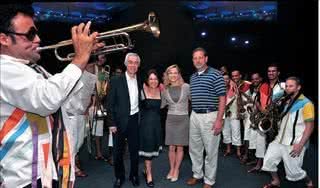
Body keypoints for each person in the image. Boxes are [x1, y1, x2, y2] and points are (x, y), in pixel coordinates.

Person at [0, 4, 103, 187]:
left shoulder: (35, 72)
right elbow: (47, 100)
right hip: (26, 178)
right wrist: (79, 58)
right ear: (4, 39)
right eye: (30, 35)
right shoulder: (4, 70)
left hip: (52, 170)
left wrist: (87, 62)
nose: (38, 39)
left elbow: (76, 106)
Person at [261, 77, 315, 188]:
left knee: (294, 172)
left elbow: (310, 127)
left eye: (291, 86)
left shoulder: (306, 103)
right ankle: (276, 181)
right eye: (286, 86)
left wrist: (300, 145)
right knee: (268, 162)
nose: (287, 88)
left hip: (294, 143)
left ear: (298, 87)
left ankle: (309, 182)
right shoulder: (284, 100)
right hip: (279, 140)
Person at [187, 47, 226, 188]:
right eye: (195, 58)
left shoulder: (216, 75)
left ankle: (209, 180)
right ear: (193, 60)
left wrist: (219, 120)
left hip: (210, 116)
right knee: (194, 148)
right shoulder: (192, 77)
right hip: (195, 116)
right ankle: (197, 174)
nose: (197, 60)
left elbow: (223, 98)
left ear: (206, 58)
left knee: (210, 151)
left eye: (200, 57)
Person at [106, 52, 142, 188]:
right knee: (117, 153)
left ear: (138, 65)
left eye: (136, 63)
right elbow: (109, 103)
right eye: (131, 62)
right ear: (126, 64)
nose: (133, 65)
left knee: (134, 152)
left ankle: (134, 175)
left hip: (134, 120)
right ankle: (119, 177)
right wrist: (111, 123)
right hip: (119, 122)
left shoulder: (140, 80)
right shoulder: (116, 80)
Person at [161, 64, 190, 182]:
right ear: (167, 75)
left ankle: (177, 169)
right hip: (170, 119)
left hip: (183, 119)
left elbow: (196, 99)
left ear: (179, 74)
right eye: (170, 73)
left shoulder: (186, 87)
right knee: (171, 147)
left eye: (175, 72)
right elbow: (161, 105)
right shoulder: (165, 90)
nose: (173, 75)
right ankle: (171, 169)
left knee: (180, 147)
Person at [139, 69, 162, 187]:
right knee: (148, 149)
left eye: (155, 78)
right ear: (147, 80)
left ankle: (145, 169)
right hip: (145, 125)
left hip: (156, 125)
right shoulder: (142, 91)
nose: (153, 81)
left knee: (152, 149)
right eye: (151, 79)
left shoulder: (161, 90)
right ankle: (149, 175)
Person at [230, 70, 252, 164]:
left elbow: (253, 97)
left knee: (247, 132)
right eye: (233, 76)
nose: (235, 77)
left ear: (240, 76)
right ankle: (240, 152)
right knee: (237, 131)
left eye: (236, 76)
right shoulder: (232, 86)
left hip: (248, 110)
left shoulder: (247, 84)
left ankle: (247, 154)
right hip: (237, 110)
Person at [247, 72, 265, 172]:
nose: (254, 81)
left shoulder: (264, 89)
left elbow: (262, 106)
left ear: (261, 79)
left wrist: (258, 107)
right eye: (253, 79)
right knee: (255, 142)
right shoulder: (254, 90)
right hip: (256, 117)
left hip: (261, 118)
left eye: (256, 79)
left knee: (261, 142)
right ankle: (257, 161)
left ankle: (259, 164)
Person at [222, 73, 242, 159]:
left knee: (236, 132)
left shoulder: (234, 88)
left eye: (227, 79)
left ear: (229, 79)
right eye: (223, 79)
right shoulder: (219, 89)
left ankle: (238, 152)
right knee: (225, 132)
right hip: (224, 114)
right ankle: (228, 150)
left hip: (234, 113)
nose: (225, 81)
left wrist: (238, 111)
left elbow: (238, 100)